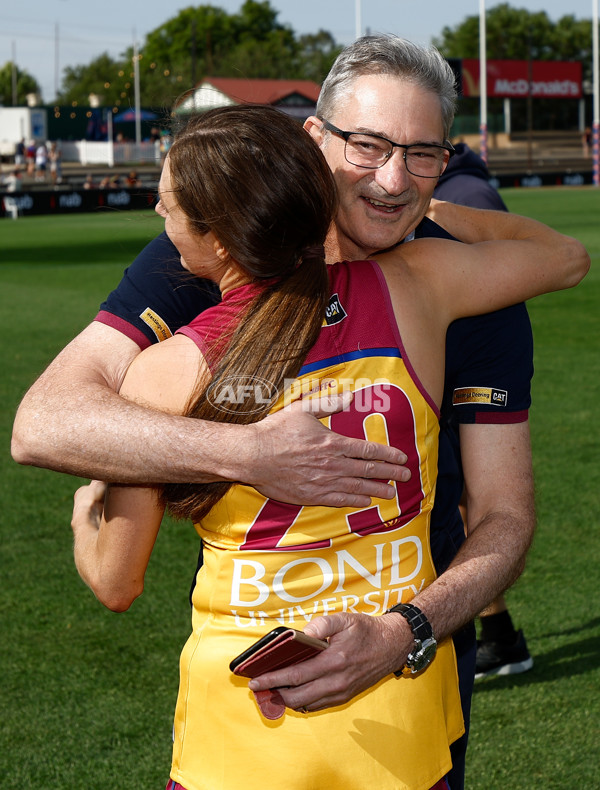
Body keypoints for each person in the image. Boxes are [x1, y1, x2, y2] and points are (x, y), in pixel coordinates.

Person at [11, 36, 590, 787]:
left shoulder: (164, 370)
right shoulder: (424, 283)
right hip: (402, 724)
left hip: (249, 724)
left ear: (209, 235)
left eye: (421, 155)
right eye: (369, 145)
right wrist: (249, 454)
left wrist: (94, 497)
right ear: (314, 142)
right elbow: (564, 258)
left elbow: (114, 580)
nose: (392, 178)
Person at [434, 142, 534, 680]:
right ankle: (498, 635)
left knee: (468, 503)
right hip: (458, 365)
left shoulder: (462, 196)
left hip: (466, 371)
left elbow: (535, 266)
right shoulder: (465, 186)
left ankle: (491, 635)